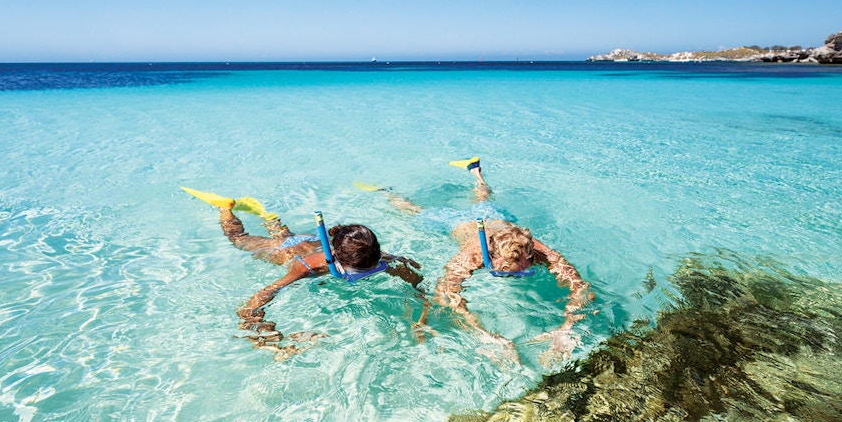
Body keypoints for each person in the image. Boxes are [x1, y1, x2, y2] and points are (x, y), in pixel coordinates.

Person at [382, 157, 592, 366]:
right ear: (491, 258)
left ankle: (476, 173)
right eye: (507, 272)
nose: (516, 276)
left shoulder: (537, 251)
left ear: (529, 255)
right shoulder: (473, 256)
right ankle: (387, 192)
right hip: (459, 224)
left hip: (493, 216)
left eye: (522, 270)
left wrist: (567, 329)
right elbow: (445, 293)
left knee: (484, 198)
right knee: (415, 212)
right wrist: (482, 334)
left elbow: (581, 288)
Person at [182, 187, 423, 360]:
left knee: (286, 235)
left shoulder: (376, 256)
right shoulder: (308, 268)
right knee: (239, 240)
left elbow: (416, 277)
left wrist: (420, 314)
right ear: (336, 259)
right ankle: (225, 210)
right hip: (287, 252)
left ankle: (271, 220)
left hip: (310, 243)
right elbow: (260, 297)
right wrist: (262, 331)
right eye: (359, 271)